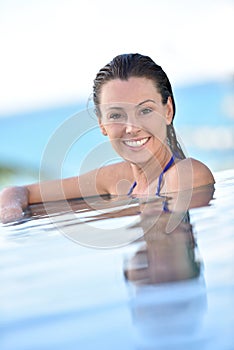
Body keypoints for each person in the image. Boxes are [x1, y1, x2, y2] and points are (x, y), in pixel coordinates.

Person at [0, 53, 215, 224]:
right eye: (116, 115)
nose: (131, 128)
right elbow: (17, 192)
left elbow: (169, 242)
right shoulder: (113, 179)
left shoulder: (187, 175)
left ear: (167, 111)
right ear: (102, 123)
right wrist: (13, 220)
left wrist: (110, 213)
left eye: (145, 111)